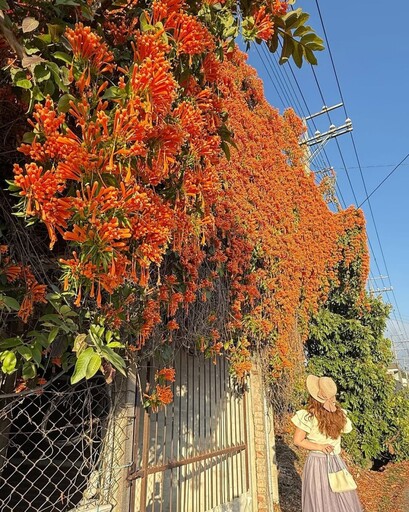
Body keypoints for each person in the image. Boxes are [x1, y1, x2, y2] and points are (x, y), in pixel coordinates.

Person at [292, 374, 363, 512]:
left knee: (320, 500)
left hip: (317, 463)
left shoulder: (308, 416)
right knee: (340, 498)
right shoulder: (340, 414)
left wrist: (319, 446)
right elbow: (345, 431)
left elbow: (297, 440)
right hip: (336, 461)